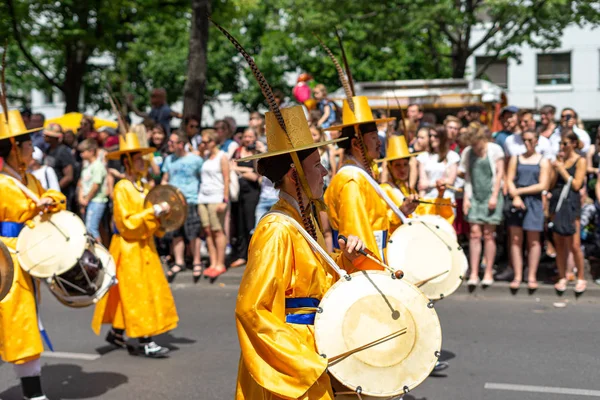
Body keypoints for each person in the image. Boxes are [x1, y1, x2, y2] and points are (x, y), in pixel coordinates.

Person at [92, 131, 178, 357]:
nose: (144, 162)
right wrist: (153, 211)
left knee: (134, 292)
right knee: (138, 292)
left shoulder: (144, 186)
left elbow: (152, 217)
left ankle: (118, 333)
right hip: (129, 247)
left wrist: (162, 216)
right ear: (128, 162)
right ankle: (147, 340)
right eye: (139, 159)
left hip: (145, 245)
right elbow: (126, 223)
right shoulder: (122, 187)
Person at [0, 109, 66, 400]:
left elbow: (55, 198)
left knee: (24, 320)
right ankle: (33, 392)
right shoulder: (3, 183)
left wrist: (49, 201)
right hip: (6, 260)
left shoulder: (30, 180)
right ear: (15, 149)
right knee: (17, 320)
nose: (33, 149)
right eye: (28, 145)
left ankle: (33, 390)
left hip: (26, 256)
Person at [325, 95, 397, 264]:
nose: (379, 142)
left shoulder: (361, 175)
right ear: (357, 144)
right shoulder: (351, 181)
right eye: (373, 136)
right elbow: (356, 236)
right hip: (366, 266)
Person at [505, 130, 550, 291]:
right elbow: (509, 179)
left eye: (530, 140)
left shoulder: (543, 161)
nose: (527, 143)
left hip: (534, 201)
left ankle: (531, 275)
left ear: (537, 141)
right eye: (524, 140)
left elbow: (543, 185)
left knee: (533, 240)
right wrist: (515, 196)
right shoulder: (516, 159)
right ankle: (518, 275)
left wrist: (519, 192)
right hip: (517, 201)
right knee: (516, 240)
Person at [461, 128, 505, 287]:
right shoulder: (468, 152)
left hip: (491, 193)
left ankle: (488, 271)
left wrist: (494, 195)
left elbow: (500, 173)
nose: (474, 147)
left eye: (476, 143)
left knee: (488, 234)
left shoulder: (495, 150)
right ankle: (473, 271)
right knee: (474, 233)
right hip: (475, 195)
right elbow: (467, 176)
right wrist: (466, 198)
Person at [161, 130, 204, 282]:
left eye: (172, 142)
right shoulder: (169, 160)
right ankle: (179, 262)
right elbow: (165, 179)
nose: (169, 144)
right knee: (176, 234)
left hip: (190, 200)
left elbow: (203, 178)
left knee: (193, 233)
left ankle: (197, 261)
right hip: (173, 204)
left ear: (181, 144)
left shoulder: (196, 160)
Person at [550, 131, 587, 295]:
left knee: (574, 243)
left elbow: (577, 185)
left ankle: (580, 277)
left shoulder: (580, 161)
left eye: (565, 143)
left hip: (571, 203)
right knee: (559, 243)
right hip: (557, 202)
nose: (562, 147)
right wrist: (554, 169)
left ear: (573, 143)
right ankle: (563, 275)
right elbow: (550, 185)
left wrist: (562, 170)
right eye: (560, 144)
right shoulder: (560, 161)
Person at [197, 129, 230, 279]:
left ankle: (220, 263)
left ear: (213, 141)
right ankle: (213, 262)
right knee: (208, 231)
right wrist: (200, 150)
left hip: (216, 197)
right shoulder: (204, 157)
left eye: (205, 141)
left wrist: (225, 200)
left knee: (218, 230)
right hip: (203, 198)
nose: (203, 144)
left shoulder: (222, 156)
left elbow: (226, 178)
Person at [229, 128, 261, 269]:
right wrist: (245, 171)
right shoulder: (238, 151)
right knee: (239, 224)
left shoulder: (257, 153)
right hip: (238, 192)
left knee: (250, 225)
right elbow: (230, 165)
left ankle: (252, 255)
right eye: (245, 136)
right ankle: (242, 255)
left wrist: (239, 169)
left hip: (252, 193)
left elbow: (256, 176)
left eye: (250, 136)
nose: (248, 139)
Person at [417, 125, 460, 205]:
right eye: (430, 136)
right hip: (428, 200)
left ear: (443, 137)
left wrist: (430, 184)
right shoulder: (423, 156)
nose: (432, 139)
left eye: (436, 136)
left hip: (446, 200)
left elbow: (450, 181)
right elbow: (422, 183)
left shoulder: (452, 156)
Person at [77, 139, 108, 244]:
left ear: (91, 151)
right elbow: (82, 184)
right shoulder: (86, 166)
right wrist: (81, 199)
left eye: (83, 152)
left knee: (91, 229)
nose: (81, 155)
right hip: (88, 201)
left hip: (97, 200)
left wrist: (87, 198)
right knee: (89, 227)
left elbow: (96, 185)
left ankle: (99, 254)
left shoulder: (98, 166)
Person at [43, 123, 76, 210]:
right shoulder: (48, 150)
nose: (44, 136)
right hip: (51, 195)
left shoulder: (63, 151)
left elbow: (69, 177)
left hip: (63, 195)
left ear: (54, 138)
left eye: (47, 135)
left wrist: (55, 189)